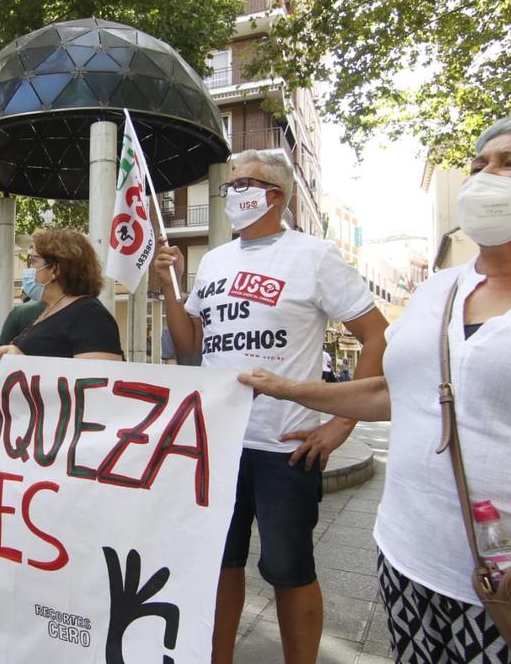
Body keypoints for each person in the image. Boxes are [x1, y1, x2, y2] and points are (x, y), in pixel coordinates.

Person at [239, 106, 511, 664]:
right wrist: (288, 389)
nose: (483, 177)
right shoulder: (440, 290)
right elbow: (397, 392)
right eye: (478, 164)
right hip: (409, 566)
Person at [154, 150, 388, 664]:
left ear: (275, 195)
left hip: (285, 446)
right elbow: (189, 345)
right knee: (222, 563)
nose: (233, 193)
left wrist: (342, 423)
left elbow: (375, 336)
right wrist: (168, 287)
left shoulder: (316, 256)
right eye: (230, 186)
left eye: (243, 184)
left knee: (289, 569)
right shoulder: (214, 260)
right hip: (218, 442)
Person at [0, 228, 123, 363]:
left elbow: (99, 379)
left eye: (33, 261)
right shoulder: (50, 310)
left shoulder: (91, 316)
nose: (29, 268)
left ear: (56, 269)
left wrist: (24, 364)